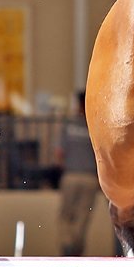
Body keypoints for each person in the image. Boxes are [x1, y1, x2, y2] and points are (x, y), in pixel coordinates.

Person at [56, 90, 100, 256]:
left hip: (70, 175)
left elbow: (59, 153)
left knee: (66, 215)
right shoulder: (95, 126)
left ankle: (67, 245)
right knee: (83, 217)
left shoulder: (69, 125)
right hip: (90, 178)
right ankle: (76, 250)